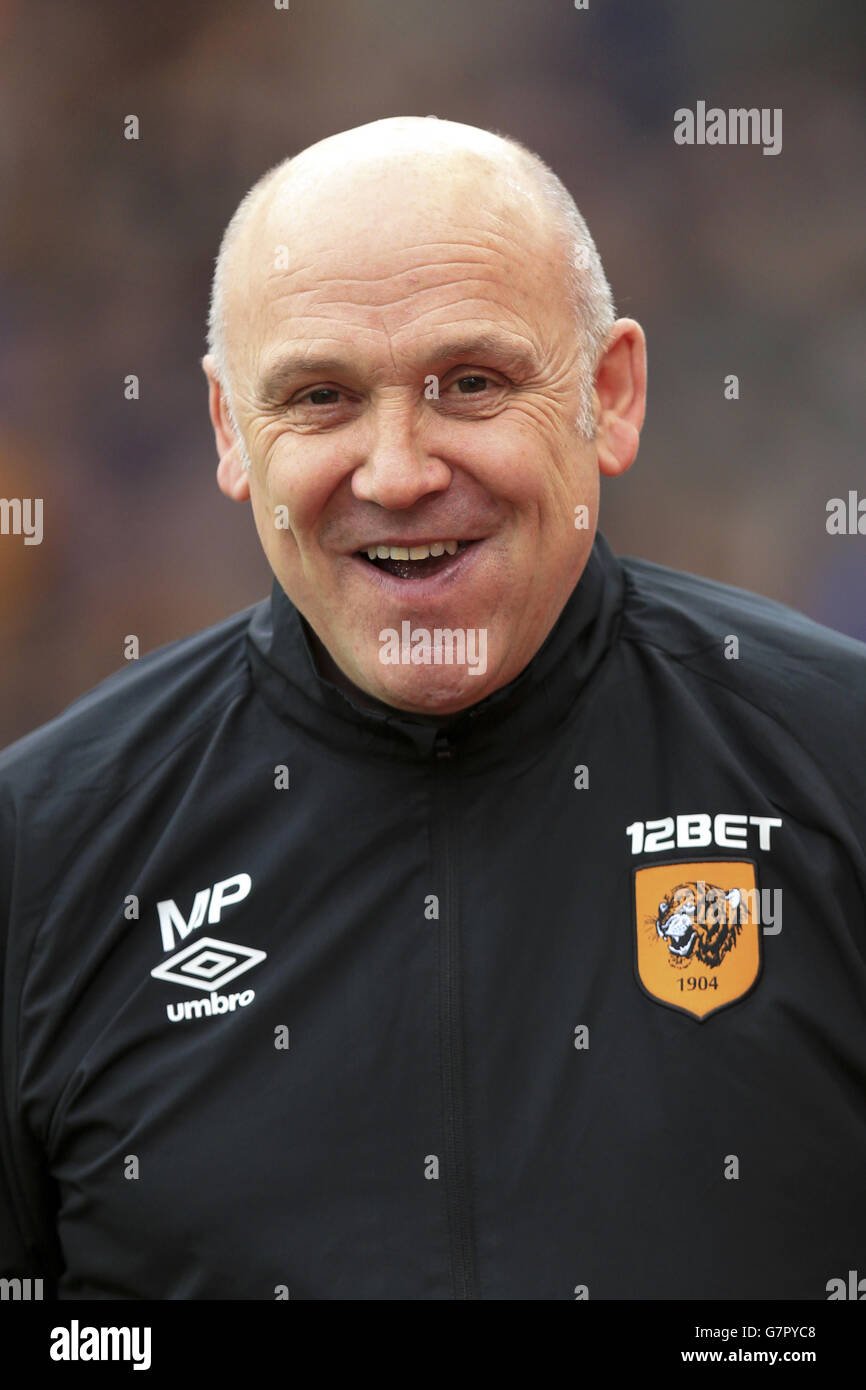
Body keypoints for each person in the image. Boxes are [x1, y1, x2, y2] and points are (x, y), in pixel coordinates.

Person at [1, 116, 864, 1301]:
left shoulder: (837, 766)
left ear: (607, 397)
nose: (396, 471)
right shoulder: (42, 853)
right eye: (319, 395)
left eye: (470, 383)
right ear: (229, 432)